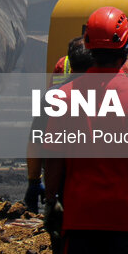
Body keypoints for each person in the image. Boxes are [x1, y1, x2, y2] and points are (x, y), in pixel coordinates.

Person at [42, 6, 128, 254]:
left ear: (90, 48)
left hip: (80, 219)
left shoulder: (64, 97)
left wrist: (51, 200)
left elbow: (53, 158)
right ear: (125, 50)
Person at [25, 36, 93, 214]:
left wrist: (34, 181)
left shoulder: (52, 97)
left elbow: (36, 141)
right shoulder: (112, 94)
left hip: (62, 184)